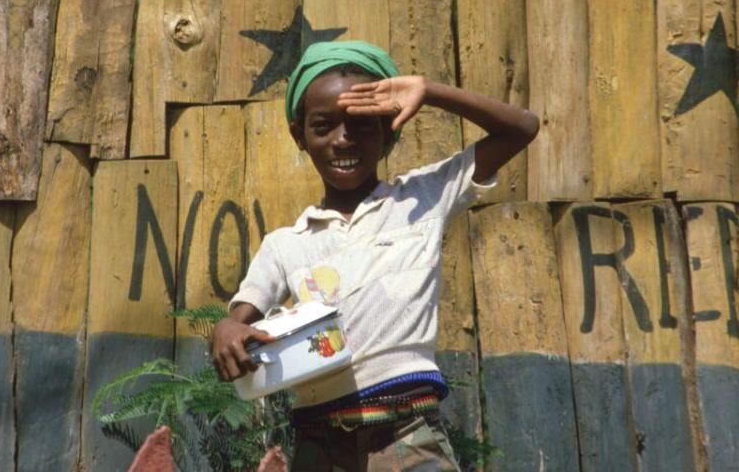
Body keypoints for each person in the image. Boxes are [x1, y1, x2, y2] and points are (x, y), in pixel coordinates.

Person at [211, 41, 538, 470]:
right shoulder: (286, 244)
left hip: (409, 438)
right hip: (319, 447)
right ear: (299, 136)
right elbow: (240, 319)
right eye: (323, 125)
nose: (343, 139)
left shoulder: (422, 199)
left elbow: (522, 129)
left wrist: (431, 91)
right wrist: (226, 329)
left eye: (362, 125)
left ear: (389, 130)